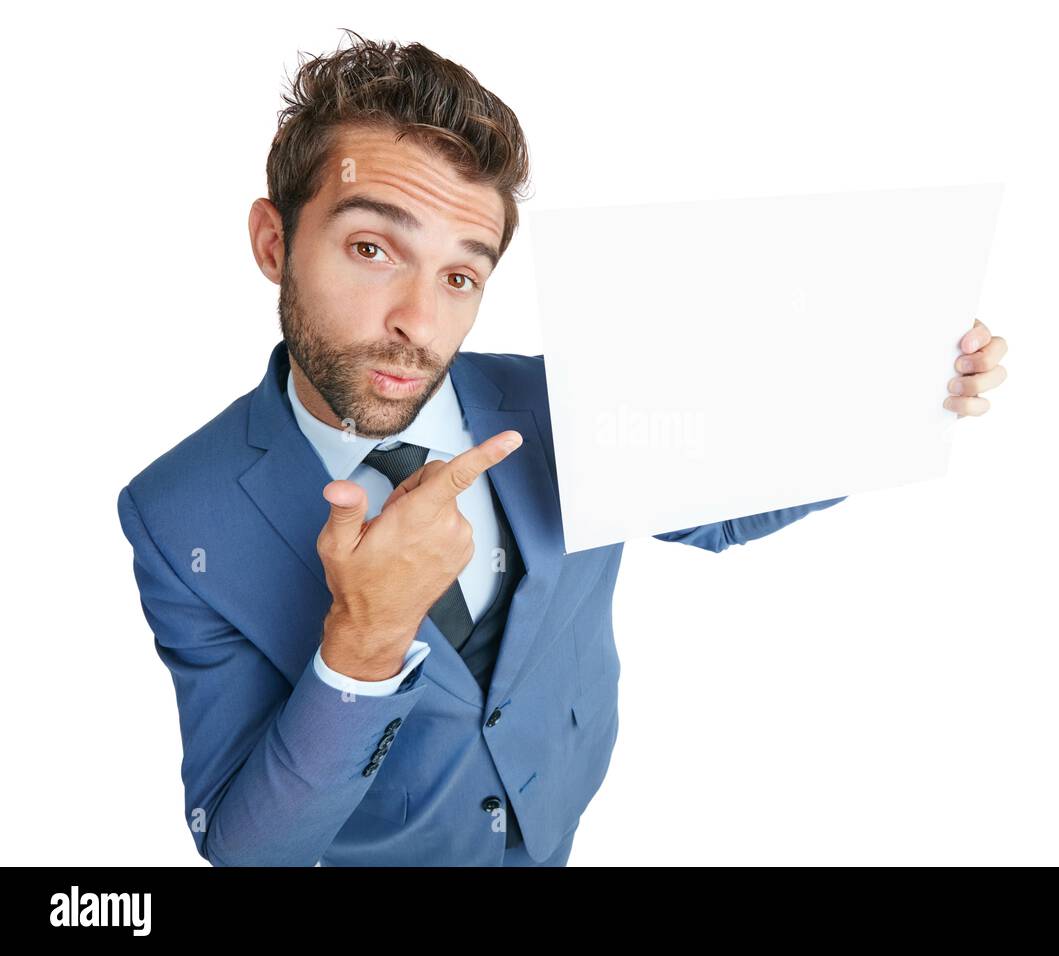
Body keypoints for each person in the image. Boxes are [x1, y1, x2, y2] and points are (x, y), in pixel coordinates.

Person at [116, 29, 1008, 867]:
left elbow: (725, 514)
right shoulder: (174, 512)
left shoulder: (557, 400)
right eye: (372, 247)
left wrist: (898, 392)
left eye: (461, 275)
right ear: (275, 243)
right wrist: (365, 639)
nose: (420, 324)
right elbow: (246, 843)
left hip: (561, 818)